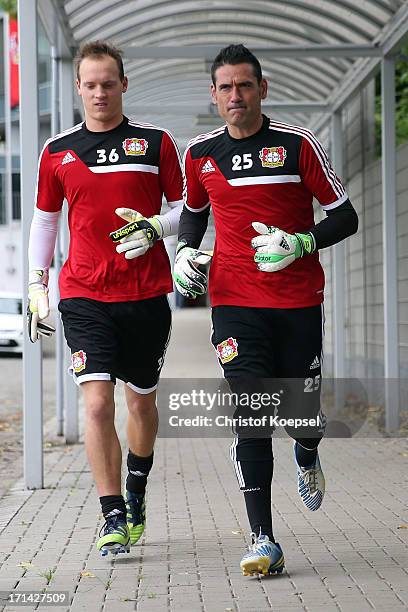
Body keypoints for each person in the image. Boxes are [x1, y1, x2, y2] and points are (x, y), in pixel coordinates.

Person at [174, 44, 358, 577]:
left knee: (300, 416)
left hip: (298, 302)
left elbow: (345, 217)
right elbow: (193, 213)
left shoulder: (299, 146)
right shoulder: (200, 155)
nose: (236, 95)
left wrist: (301, 243)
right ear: (214, 96)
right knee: (251, 413)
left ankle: (307, 451)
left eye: (245, 85)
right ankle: (263, 539)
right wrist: (186, 251)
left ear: (263, 89)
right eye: (226, 87)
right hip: (233, 304)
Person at [27, 41, 183, 557]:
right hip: (84, 293)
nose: (99, 92)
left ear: (123, 84)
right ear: (78, 87)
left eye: (108, 83)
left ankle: (136, 489)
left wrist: (156, 227)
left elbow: (189, 210)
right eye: (90, 84)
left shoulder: (155, 142)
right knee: (96, 404)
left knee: (140, 402)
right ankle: (111, 514)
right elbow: (46, 219)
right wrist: (36, 283)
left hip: (145, 295)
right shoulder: (57, 151)